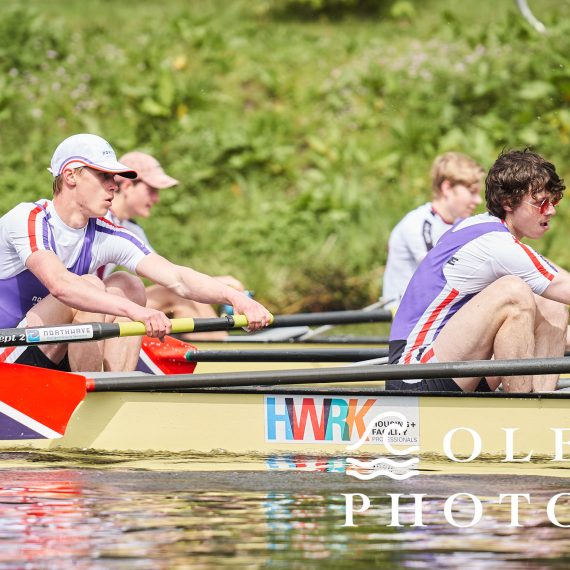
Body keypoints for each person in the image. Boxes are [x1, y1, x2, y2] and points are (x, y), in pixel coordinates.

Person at [0, 134, 271, 372]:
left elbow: (177, 278)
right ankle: (90, 392)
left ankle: (114, 387)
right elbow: (61, 286)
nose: (114, 185)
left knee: (128, 284)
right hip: (9, 354)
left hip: (53, 351)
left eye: (113, 178)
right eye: (103, 176)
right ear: (70, 175)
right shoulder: (28, 218)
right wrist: (138, 313)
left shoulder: (106, 233)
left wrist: (236, 298)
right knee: (90, 284)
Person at [387, 149, 568, 393]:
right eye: (540, 202)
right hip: (413, 372)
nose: (551, 210)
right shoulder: (494, 243)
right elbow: (564, 286)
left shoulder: (489, 231)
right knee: (514, 292)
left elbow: (557, 279)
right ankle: (521, 408)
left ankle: (541, 403)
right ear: (508, 203)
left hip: (456, 361)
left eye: (554, 201)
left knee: (552, 305)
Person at [103, 151, 245, 340]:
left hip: (104, 301)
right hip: (86, 306)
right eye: (152, 190)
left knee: (185, 296)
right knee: (176, 294)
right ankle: (221, 348)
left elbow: (168, 276)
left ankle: (217, 346)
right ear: (128, 186)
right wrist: (221, 284)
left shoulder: (132, 229)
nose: (157, 198)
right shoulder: (99, 218)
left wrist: (218, 286)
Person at [382, 152, 484, 311]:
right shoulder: (417, 223)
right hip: (403, 311)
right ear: (447, 188)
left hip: (435, 308)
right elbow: (439, 274)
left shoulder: (462, 224)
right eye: (472, 192)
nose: (478, 200)